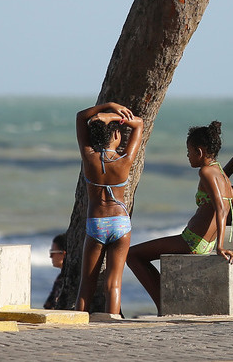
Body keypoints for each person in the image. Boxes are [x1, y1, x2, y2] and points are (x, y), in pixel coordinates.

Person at [126, 121, 233, 313]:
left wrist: (220, 247)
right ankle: (165, 303)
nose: (188, 156)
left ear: (199, 152)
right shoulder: (221, 173)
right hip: (202, 242)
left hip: (192, 241)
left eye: (189, 151)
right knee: (139, 255)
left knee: (132, 255)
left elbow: (220, 208)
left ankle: (163, 305)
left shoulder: (206, 172)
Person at [75, 102, 143, 314]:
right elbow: (139, 124)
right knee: (113, 284)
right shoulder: (125, 160)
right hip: (120, 223)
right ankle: (112, 325)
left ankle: (78, 327)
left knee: (87, 285)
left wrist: (106, 107)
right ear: (115, 136)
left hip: (96, 223)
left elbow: (80, 117)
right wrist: (114, 117)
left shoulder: (89, 156)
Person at [44, 233, 67, 309]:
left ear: (63, 254)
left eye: (53, 253)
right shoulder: (60, 277)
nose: (50, 256)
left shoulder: (64, 279)